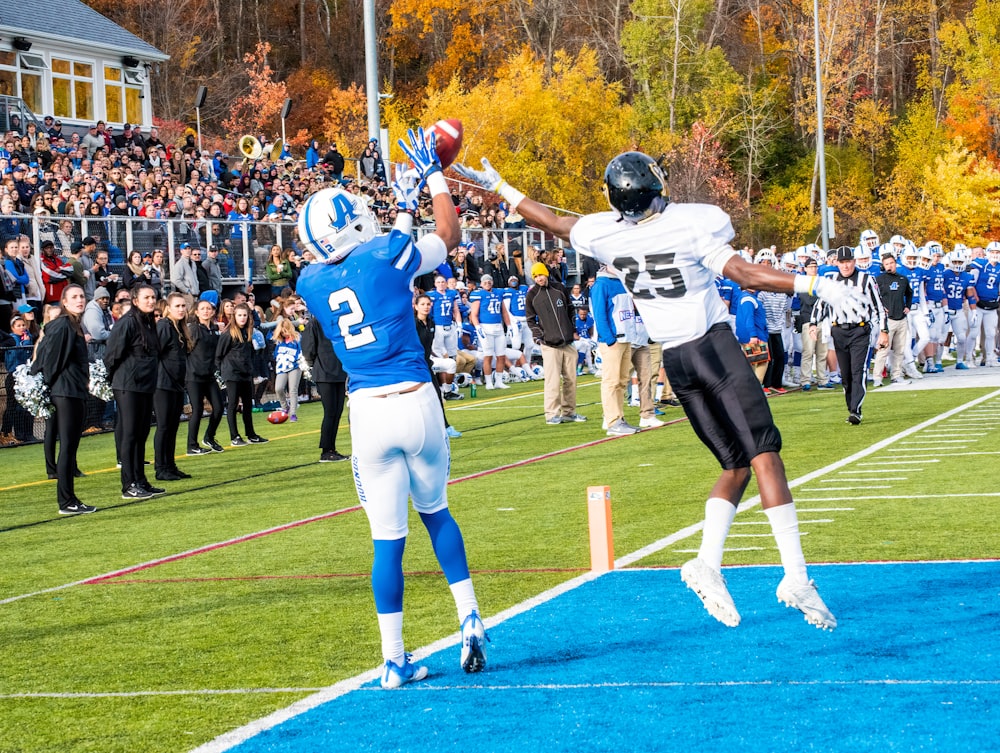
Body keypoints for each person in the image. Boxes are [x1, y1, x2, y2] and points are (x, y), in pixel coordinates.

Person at [456, 150, 867, 629]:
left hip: (676, 360)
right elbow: (744, 273)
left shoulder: (604, 233)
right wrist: (815, 284)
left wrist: (500, 187)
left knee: (735, 466)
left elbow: (553, 222)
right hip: (712, 347)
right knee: (765, 456)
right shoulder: (693, 223)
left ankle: (707, 564)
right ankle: (795, 576)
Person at [295, 128, 487, 688]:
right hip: (417, 399)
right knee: (438, 513)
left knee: (387, 541)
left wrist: (402, 214)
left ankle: (394, 659)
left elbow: (367, 259)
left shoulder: (310, 280)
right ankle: (469, 615)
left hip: (369, 413)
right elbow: (447, 234)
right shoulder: (384, 253)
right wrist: (429, 181)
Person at [30, 285, 95, 514]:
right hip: (65, 392)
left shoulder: (74, 324)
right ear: (64, 302)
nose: (80, 300)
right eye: (74, 297)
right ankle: (66, 501)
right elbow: (50, 360)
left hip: (73, 390)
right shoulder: (62, 325)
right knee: (67, 446)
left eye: (82, 296)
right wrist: (49, 387)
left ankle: (70, 498)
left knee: (71, 446)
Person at [811, 246, 887, 424]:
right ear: (836, 263)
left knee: (857, 370)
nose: (845, 266)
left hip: (860, 330)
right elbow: (821, 304)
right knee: (845, 374)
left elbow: (879, 307)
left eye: (848, 262)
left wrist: (884, 331)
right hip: (839, 331)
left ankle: (856, 410)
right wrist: (813, 323)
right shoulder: (831, 280)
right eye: (842, 262)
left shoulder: (866, 279)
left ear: (854, 262)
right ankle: (851, 407)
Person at [104, 284, 165, 500]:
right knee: (130, 434)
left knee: (141, 433)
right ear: (135, 300)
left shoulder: (149, 323)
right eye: (146, 297)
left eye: (153, 297)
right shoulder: (127, 322)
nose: (151, 300)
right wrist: (117, 378)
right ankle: (128, 484)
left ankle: (140, 479)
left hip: (145, 384)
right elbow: (112, 355)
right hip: (127, 384)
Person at [524, 262, 586, 425]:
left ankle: (569, 412)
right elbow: (531, 320)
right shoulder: (532, 296)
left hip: (568, 341)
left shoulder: (559, 288)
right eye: (535, 276)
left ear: (546, 274)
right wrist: (539, 336)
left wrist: (573, 329)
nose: (539, 279)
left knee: (571, 379)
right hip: (549, 344)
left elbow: (570, 309)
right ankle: (551, 414)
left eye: (541, 275)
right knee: (552, 381)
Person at [216, 302, 268, 446]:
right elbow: (219, 355)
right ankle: (234, 436)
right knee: (232, 404)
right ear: (234, 316)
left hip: (246, 373)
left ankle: (251, 434)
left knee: (247, 404)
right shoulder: (228, 334)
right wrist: (221, 374)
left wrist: (252, 371)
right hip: (232, 373)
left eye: (245, 315)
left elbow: (250, 354)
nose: (242, 318)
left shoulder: (248, 332)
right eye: (239, 315)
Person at [153, 293, 193, 481]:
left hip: (176, 383)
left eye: (183, 306)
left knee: (173, 426)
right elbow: (156, 354)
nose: (181, 309)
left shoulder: (179, 328)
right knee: (164, 426)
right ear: (168, 308)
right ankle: (161, 468)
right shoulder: (164, 326)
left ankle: (170, 464)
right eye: (177, 306)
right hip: (163, 384)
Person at [300, 315, 348, 462]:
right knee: (330, 412)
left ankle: (331, 448)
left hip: (338, 370)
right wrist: (314, 364)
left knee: (336, 411)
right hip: (325, 372)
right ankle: (326, 450)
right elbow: (308, 349)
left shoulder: (333, 320)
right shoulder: (315, 322)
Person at [185, 296, 226, 454]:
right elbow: (187, 349)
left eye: (208, 308)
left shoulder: (214, 330)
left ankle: (209, 436)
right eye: (202, 309)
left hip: (209, 375)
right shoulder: (194, 329)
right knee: (198, 409)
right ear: (196, 312)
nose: (206, 311)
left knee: (218, 407)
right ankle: (192, 445)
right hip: (194, 375)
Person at [871, 251, 913, 386]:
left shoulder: (903, 279)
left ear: (896, 263)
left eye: (892, 263)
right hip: (888, 320)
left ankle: (897, 374)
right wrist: (881, 308)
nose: (890, 266)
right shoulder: (880, 279)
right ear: (883, 265)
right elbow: (873, 296)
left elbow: (910, 293)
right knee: (883, 349)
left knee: (900, 350)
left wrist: (908, 306)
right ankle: (877, 377)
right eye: (887, 264)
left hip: (901, 318)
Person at [468, 273, 510, 389]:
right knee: (488, 355)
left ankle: (499, 381)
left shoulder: (498, 293)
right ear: (481, 284)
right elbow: (474, 314)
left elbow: (504, 312)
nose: (487, 283)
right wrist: (478, 328)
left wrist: (509, 326)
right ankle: (489, 382)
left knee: (501, 355)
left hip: (498, 327)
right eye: (485, 282)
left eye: (489, 281)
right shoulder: (479, 294)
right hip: (485, 327)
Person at [271, 317, 302, 421]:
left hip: (295, 366)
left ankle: (293, 413)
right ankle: (285, 407)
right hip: (282, 367)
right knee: (278, 388)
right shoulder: (279, 342)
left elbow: (301, 351)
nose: (284, 334)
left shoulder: (297, 338)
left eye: (286, 331)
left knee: (293, 389)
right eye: (282, 331)